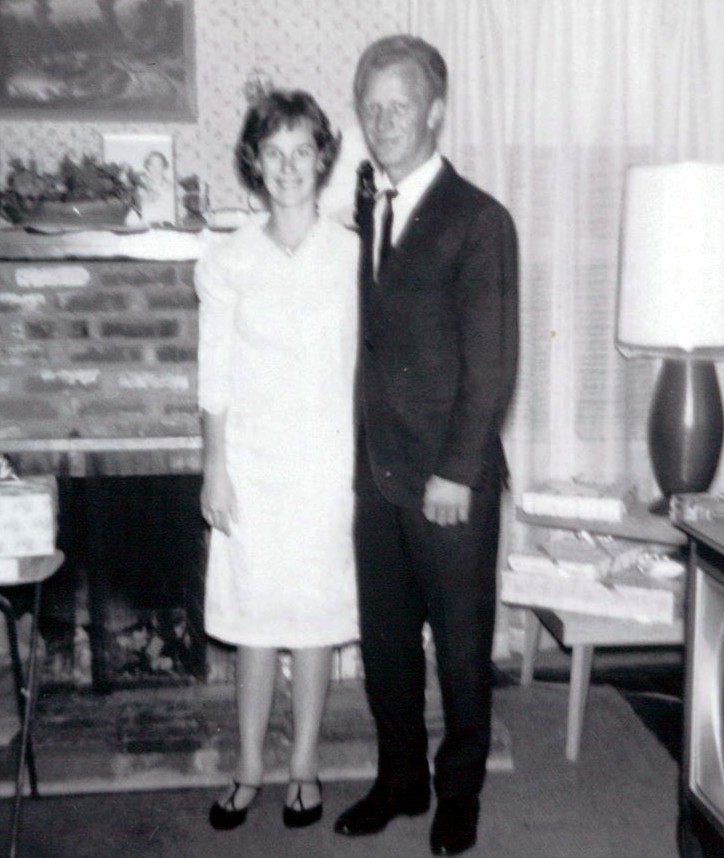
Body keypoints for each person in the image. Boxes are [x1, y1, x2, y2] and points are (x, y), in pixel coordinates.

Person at [333, 35, 519, 856]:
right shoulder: (371, 208)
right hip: (378, 477)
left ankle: (459, 793)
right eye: (371, 108)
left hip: (449, 481)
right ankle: (401, 778)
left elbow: (493, 364)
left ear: (436, 111)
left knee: (461, 646)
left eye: (399, 106)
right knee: (385, 647)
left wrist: (455, 470)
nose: (382, 122)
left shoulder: (479, 219)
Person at [194, 89, 359, 832]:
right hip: (253, 467)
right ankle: (249, 768)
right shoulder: (228, 259)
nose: (288, 167)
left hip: (329, 464)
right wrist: (215, 466)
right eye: (273, 153)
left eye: (302, 152)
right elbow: (214, 374)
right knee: (255, 618)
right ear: (253, 163)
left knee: (314, 618)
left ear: (322, 159)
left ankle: (303, 767)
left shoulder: (353, 254)